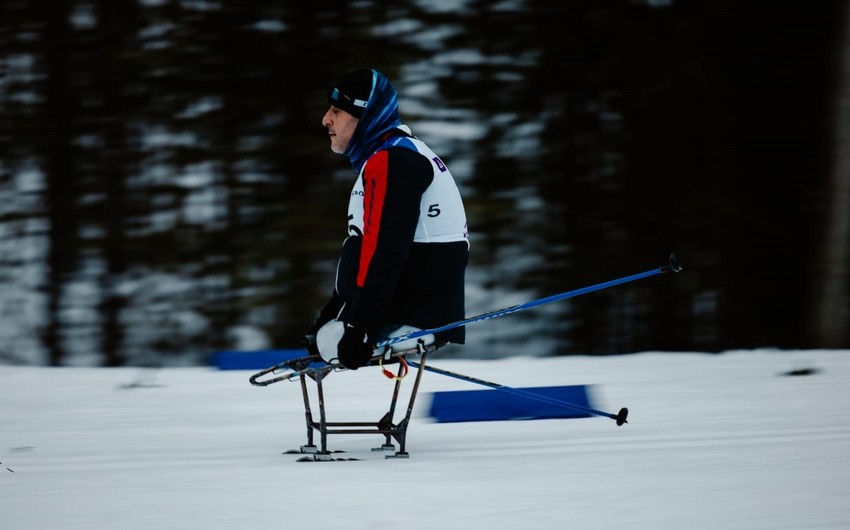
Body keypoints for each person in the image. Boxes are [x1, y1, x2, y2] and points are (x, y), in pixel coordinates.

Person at [307, 68, 469, 370]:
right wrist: (331, 316)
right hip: (411, 305)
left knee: (333, 342)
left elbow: (385, 251)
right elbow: (368, 248)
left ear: (364, 116)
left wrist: (360, 327)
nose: (326, 120)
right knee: (326, 338)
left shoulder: (394, 161)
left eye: (336, 111)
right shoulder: (392, 155)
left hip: (413, 315)